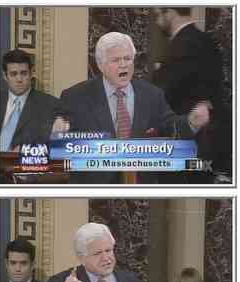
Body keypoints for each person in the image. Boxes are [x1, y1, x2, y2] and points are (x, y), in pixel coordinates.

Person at [59, 31, 211, 184]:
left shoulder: (152, 95)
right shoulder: (75, 97)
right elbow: (62, 148)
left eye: (127, 58)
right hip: (93, 195)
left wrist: (191, 122)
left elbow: (169, 127)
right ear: (100, 65)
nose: (123, 64)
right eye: (116, 60)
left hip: (140, 194)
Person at [153, 8, 229, 183]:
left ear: (170, 12)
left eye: (158, 15)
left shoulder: (183, 45)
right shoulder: (207, 41)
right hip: (208, 141)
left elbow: (165, 93)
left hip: (183, 141)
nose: (157, 22)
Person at [0, 49, 63, 152]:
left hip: (24, 164)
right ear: (5, 76)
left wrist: (28, 150)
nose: (19, 79)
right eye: (13, 74)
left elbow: (59, 146)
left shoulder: (50, 105)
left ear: (31, 73)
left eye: (24, 73)